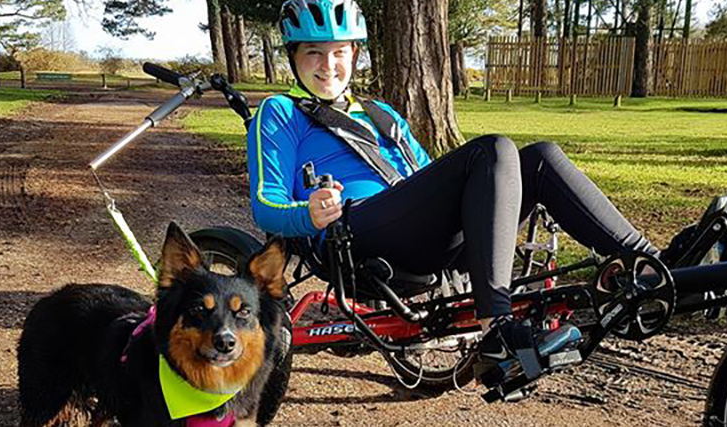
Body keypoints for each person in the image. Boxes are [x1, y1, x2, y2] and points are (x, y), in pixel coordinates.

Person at [249, 0, 660, 386]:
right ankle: (496, 329)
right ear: (293, 57)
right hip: (357, 238)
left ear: (355, 54)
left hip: (417, 233)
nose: (328, 65)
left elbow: (426, 180)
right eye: (314, 54)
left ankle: (654, 267)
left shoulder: (381, 113)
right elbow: (266, 205)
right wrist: (309, 213)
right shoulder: (281, 112)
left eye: (339, 52)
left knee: (540, 157)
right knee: (492, 148)